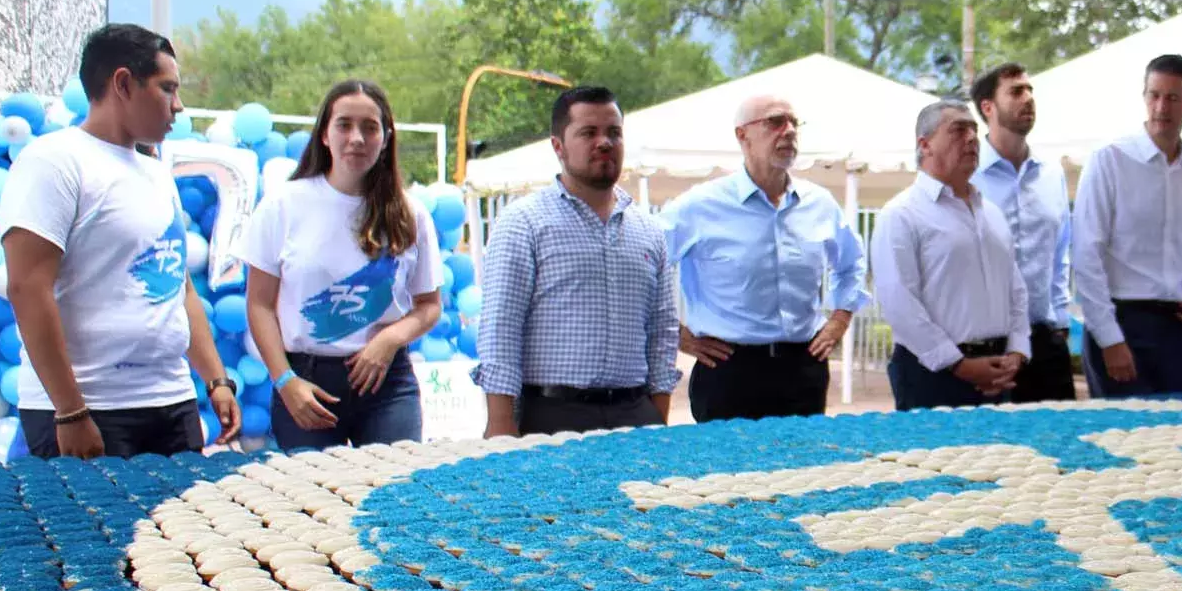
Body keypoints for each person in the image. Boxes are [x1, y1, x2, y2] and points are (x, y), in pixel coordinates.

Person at [0, 23, 240, 459]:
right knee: (86, 530)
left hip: (171, 403)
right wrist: (70, 411)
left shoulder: (154, 172)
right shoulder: (54, 161)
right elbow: (26, 287)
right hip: (91, 409)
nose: (178, 106)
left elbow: (176, 283)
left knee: (179, 528)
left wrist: (216, 379)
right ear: (124, 83)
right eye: (168, 89)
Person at [239, 79, 441, 450]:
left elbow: (429, 306)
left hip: (387, 383)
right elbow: (259, 305)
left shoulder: (411, 214)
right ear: (325, 136)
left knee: (394, 498)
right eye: (344, 125)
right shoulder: (283, 205)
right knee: (308, 504)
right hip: (306, 383)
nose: (357, 138)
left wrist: (390, 340)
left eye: (370, 127)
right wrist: (285, 381)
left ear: (386, 139)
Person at [475, 86, 678, 436]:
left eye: (614, 132)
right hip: (552, 414)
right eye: (588, 133)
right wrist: (500, 425)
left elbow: (662, 331)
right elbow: (500, 330)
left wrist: (658, 418)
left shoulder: (649, 231)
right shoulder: (524, 222)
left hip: (636, 415)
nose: (604, 142)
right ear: (558, 146)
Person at [661, 94, 867, 422]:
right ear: (742, 135)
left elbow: (852, 263)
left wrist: (839, 320)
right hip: (729, 372)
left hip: (804, 368)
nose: (788, 131)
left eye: (793, 123)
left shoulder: (819, 203)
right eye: (775, 122)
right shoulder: (699, 206)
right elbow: (642, 264)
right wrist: (674, 332)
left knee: (804, 470)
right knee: (728, 472)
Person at [1070, 54, 1182, 397]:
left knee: (1173, 441)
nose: (1160, 107)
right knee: (1119, 440)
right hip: (1120, 320)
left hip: (1176, 327)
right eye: (1153, 95)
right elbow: (1086, 256)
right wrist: (1109, 338)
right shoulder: (1109, 160)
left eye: (1171, 97)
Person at [871, 100, 1029, 411]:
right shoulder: (901, 214)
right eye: (958, 130)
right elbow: (899, 304)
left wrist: (1018, 350)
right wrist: (959, 365)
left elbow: (1015, 289)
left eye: (974, 131)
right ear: (925, 144)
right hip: (933, 375)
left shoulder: (992, 213)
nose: (972, 138)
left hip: (999, 370)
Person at [969, 62, 1074, 403]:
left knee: (1062, 446)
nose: (1028, 99)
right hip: (987, 343)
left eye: (1030, 90)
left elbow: (1060, 253)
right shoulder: (965, 175)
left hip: (1045, 339)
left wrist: (1059, 320)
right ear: (988, 107)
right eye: (1016, 92)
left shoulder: (1051, 174)